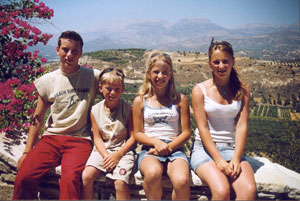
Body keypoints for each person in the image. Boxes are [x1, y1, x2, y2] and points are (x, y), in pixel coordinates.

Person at [13, 31, 100, 200]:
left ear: (80, 52)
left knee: (70, 180)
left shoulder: (92, 76)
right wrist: (26, 151)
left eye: (74, 51)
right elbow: (37, 118)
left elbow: (114, 84)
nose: (69, 55)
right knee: (24, 176)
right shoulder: (48, 80)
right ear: (58, 50)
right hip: (51, 139)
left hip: (79, 140)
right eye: (65, 50)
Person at [190, 38, 256, 200]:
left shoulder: (243, 90)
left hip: (232, 149)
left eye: (225, 61)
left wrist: (236, 158)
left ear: (233, 62)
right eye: (216, 62)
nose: (221, 66)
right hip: (204, 151)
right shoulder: (200, 91)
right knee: (222, 191)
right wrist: (219, 160)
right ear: (210, 64)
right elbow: (203, 128)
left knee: (248, 191)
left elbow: (241, 126)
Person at [132, 50, 191, 200]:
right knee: (152, 174)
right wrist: (156, 143)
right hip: (150, 149)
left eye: (164, 73)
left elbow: (186, 132)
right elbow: (137, 133)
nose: (160, 76)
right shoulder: (140, 101)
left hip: (175, 149)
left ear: (170, 74)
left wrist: (168, 147)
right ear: (148, 74)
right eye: (156, 72)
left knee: (182, 180)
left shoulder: (180, 99)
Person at [81, 68, 135, 200]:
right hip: (103, 150)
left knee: (120, 183)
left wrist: (117, 155)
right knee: (86, 176)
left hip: (122, 151)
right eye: (109, 88)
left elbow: (133, 137)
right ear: (100, 88)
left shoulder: (128, 109)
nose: (113, 93)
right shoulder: (95, 110)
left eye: (117, 89)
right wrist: (106, 156)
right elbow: (97, 138)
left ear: (122, 89)